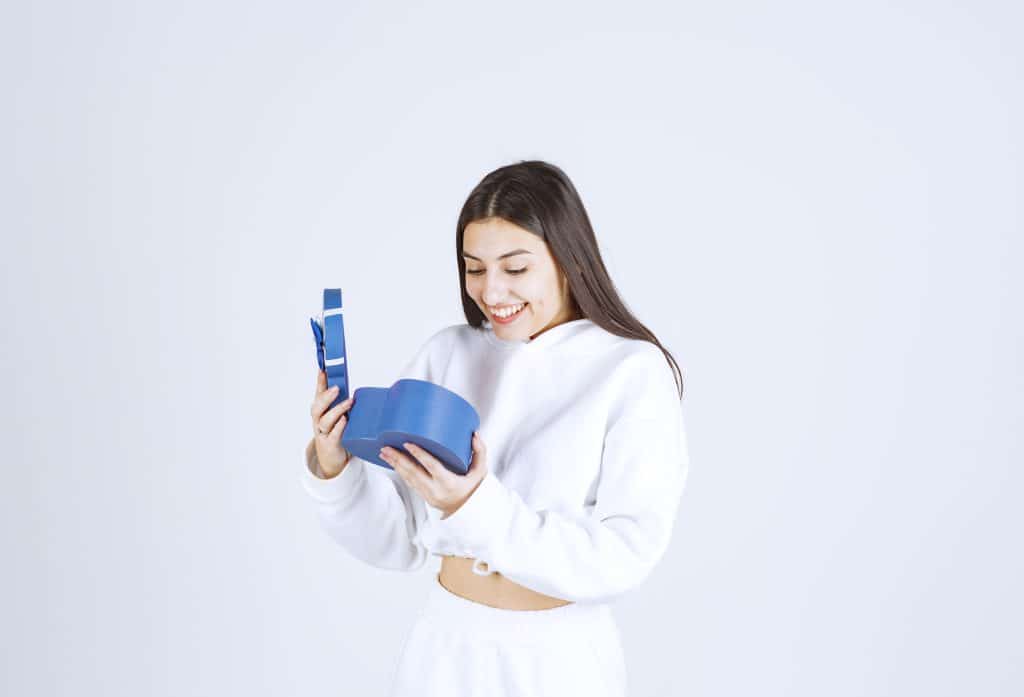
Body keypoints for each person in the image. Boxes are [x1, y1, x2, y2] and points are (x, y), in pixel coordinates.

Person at [302, 160, 690, 696]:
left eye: (516, 268)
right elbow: (398, 541)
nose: (492, 291)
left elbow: (624, 555)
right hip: (444, 652)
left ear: (569, 260)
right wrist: (335, 467)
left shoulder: (630, 371)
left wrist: (474, 506)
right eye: (475, 268)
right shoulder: (448, 354)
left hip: (559, 662)